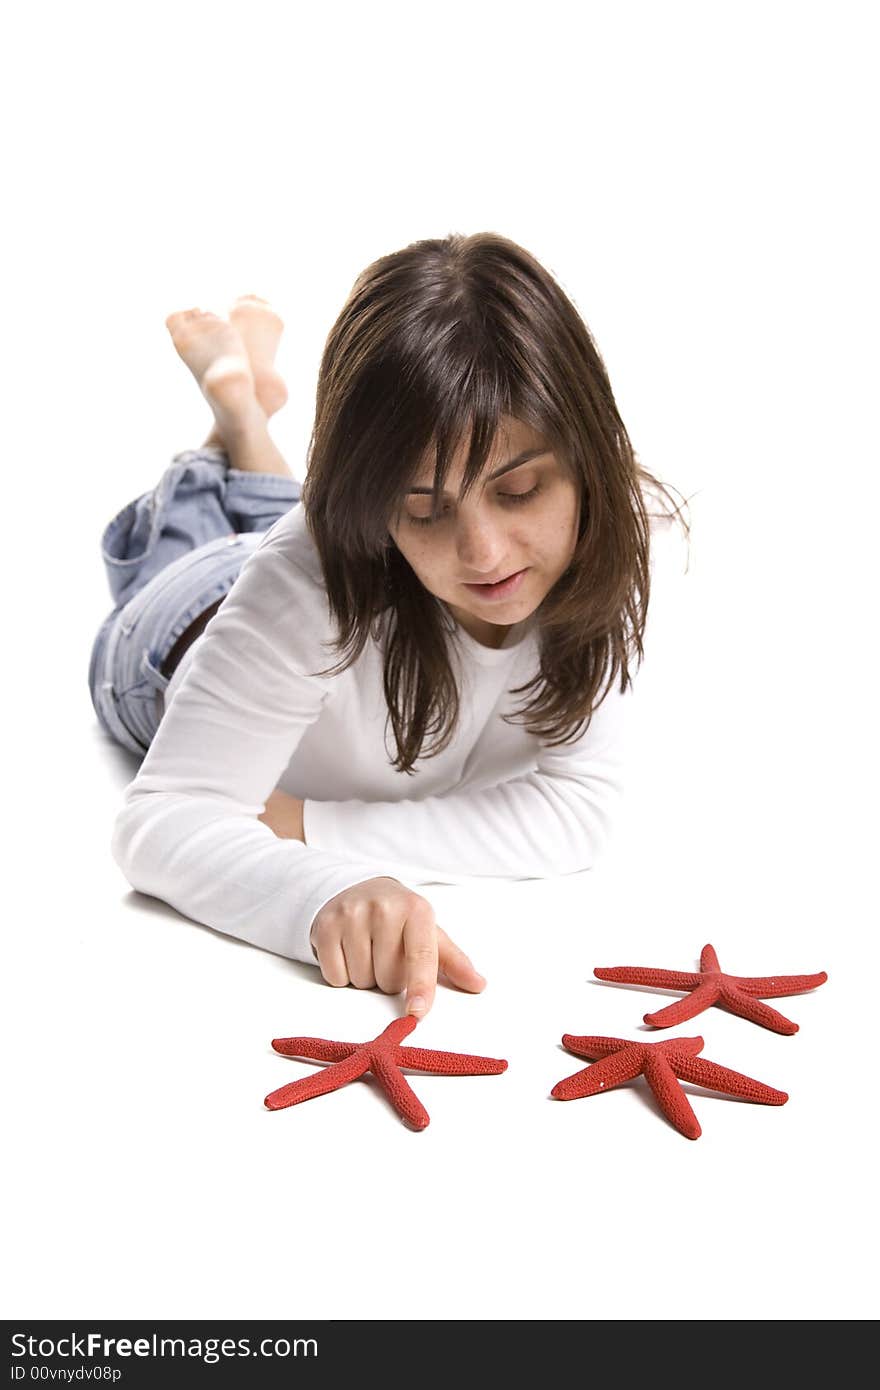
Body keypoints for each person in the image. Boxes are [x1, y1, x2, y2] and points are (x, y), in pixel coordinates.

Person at [90, 231, 689, 1021]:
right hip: (177, 636)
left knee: (282, 523)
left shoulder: (606, 531)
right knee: (178, 545)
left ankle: (243, 409)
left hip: (312, 565)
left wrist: (311, 824)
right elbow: (161, 819)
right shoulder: (305, 581)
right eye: (424, 509)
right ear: (381, 510)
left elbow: (581, 813)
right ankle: (233, 421)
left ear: (588, 455)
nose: (484, 554)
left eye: (518, 491)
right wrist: (320, 891)